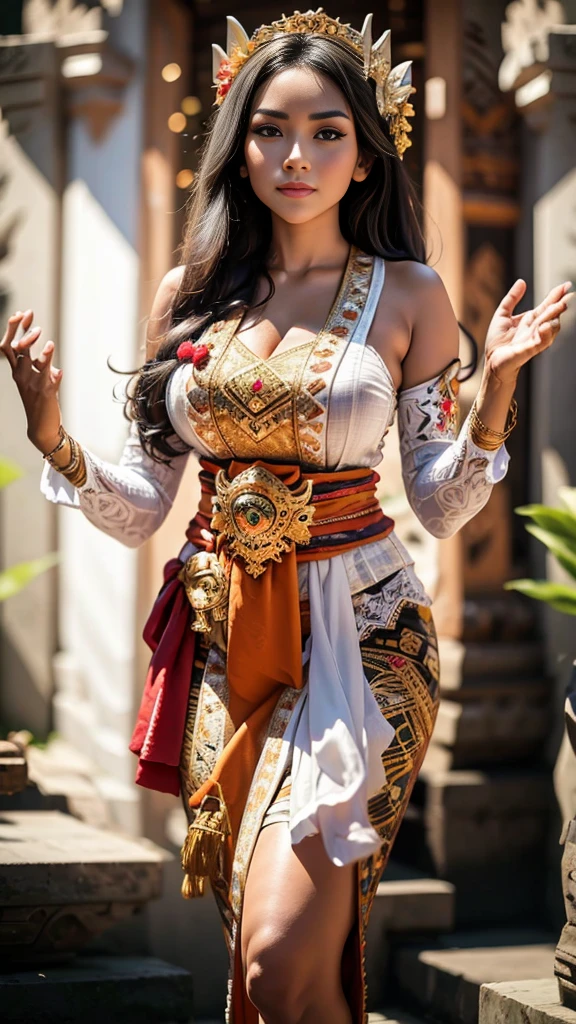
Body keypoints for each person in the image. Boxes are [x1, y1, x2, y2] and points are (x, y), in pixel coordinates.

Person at [1, 10, 571, 1024]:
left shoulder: (410, 294)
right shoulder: (189, 297)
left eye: (325, 132)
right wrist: (51, 434)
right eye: (269, 129)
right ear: (237, 142)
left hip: (367, 643)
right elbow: (140, 510)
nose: (294, 154)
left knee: (275, 955)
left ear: (364, 156)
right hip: (227, 651)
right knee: (281, 980)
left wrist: (498, 391)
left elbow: (442, 502)